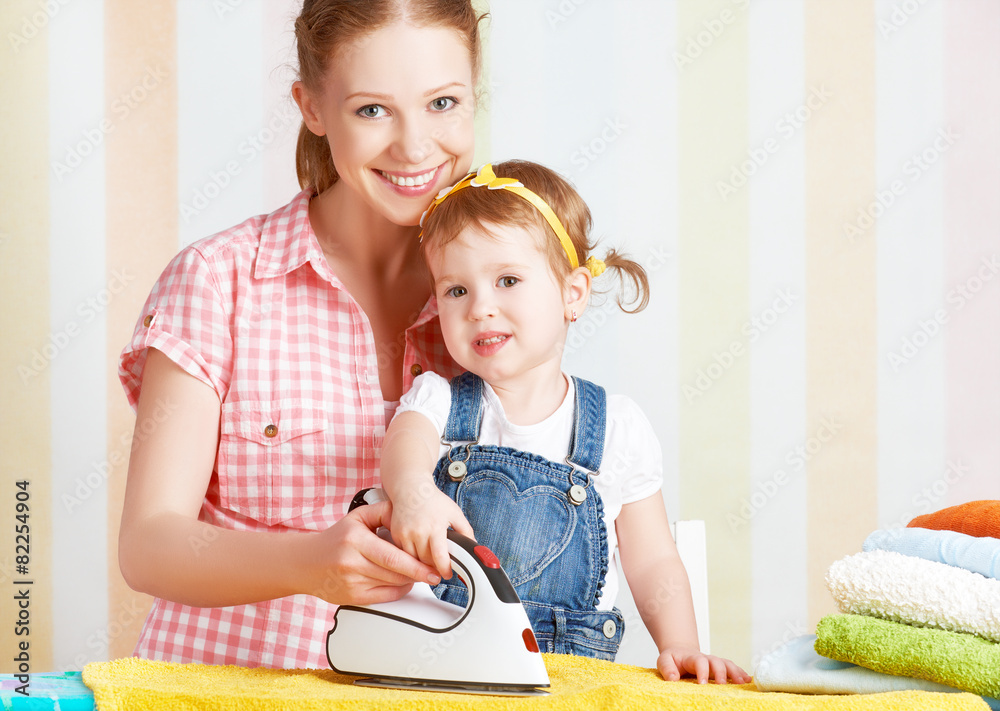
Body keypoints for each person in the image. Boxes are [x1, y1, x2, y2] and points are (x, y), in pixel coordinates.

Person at [116, 0, 485, 668]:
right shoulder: (218, 281)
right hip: (222, 687)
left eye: (443, 103)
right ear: (312, 107)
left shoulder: (496, 296)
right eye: (372, 110)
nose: (415, 147)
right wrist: (308, 562)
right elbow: (147, 545)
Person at [379, 160, 751, 684]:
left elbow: (652, 563)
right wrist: (413, 490)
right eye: (455, 290)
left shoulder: (617, 428)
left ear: (572, 293)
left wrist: (682, 646)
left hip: (568, 681)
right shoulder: (438, 400)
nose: (480, 308)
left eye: (507, 280)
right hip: (438, 672)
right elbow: (405, 444)